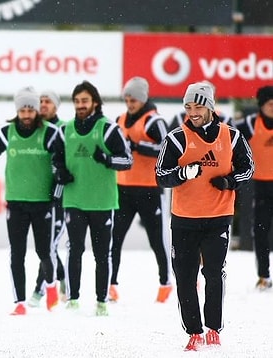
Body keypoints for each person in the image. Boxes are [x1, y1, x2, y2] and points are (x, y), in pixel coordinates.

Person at [156, 82, 253, 351]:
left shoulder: (231, 136)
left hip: (218, 217)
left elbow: (248, 168)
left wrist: (230, 181)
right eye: (188, 107)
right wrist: (182, 174)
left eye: (198, 106)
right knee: (185, 276)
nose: (192, 112)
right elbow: (161, 175)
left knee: (213, 272)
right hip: (184, 218)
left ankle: (213, 328)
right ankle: (193, 331)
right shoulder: (176, 138)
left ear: (210, 106)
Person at [0, 86, 64, 314]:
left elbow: (62, 165)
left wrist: (56, 194)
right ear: (17, 111)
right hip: (16, 203)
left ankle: (50, 286)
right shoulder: (6, 132)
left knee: (44, 251)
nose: (27, 114)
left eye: (31, 109)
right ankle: (19, 303)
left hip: (42, 204)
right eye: (23, 110)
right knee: (16, 253)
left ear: (37, 111)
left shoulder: (50, 133)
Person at [53, 80, 132, 317]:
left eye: (84, 101)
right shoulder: (65, 130)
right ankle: (73, 299)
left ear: (95, 102)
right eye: (77, 101)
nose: (80, 105)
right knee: (74, 250)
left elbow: (127, 160)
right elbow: (55, 159)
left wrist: (106, 159)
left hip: (102, 201)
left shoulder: (108, 129)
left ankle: (101, 302)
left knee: (102, 254)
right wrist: (60, 172)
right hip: (74, 200)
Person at [110, 77, 172, 303]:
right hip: (123, 189)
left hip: (149, 190)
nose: (129, 103)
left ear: (143, 98)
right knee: (114, 239)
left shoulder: (153, 121)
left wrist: (138, 147)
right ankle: (110, 283)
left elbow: (166, 149)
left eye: (133, 99)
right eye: (126, 98)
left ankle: (166, 282)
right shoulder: (120, 119)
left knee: (158, 240)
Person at [29, 90, 68, 306]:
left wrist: (58, 190)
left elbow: (65, 164)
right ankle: (61, 278)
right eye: (40, 101)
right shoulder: (34, 129)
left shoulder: (63, 129)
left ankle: (39, 290)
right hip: (37, 197)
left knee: (48, 245)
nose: (43, 105)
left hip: (58, 198)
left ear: (56, 106)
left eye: (48, 102)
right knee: (45, 246)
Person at [235, 85, 273, 291]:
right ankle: (264, 275)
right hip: (262, 187)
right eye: (270, 104)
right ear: (261, 105)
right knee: (261, 231)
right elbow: (229, 139)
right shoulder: (250, 124)